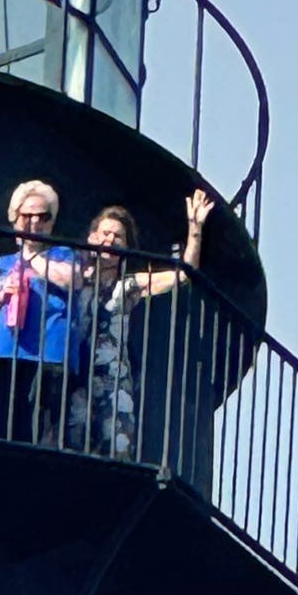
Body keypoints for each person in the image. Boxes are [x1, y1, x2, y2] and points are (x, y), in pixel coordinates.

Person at [67, 189, 215, 458]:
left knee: (117, 450)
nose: (110, 240)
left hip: (113, 383)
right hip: (74, 378)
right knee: (70, 447)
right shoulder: (71, 278)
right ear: (92, 237)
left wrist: (195, 230)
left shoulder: (128, 286)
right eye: (105, 233)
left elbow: (183, 274)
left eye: (118, 236)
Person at [0, 178, 77, 444]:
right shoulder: (2, 264)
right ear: (15, 220)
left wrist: (32, 255)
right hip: (6, 352)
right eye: (27, 216)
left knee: (41, 432)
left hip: (49, 354)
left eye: (42, 216)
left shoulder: (63, 254)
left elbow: (72, 280)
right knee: (5, 426)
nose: (34, 222)